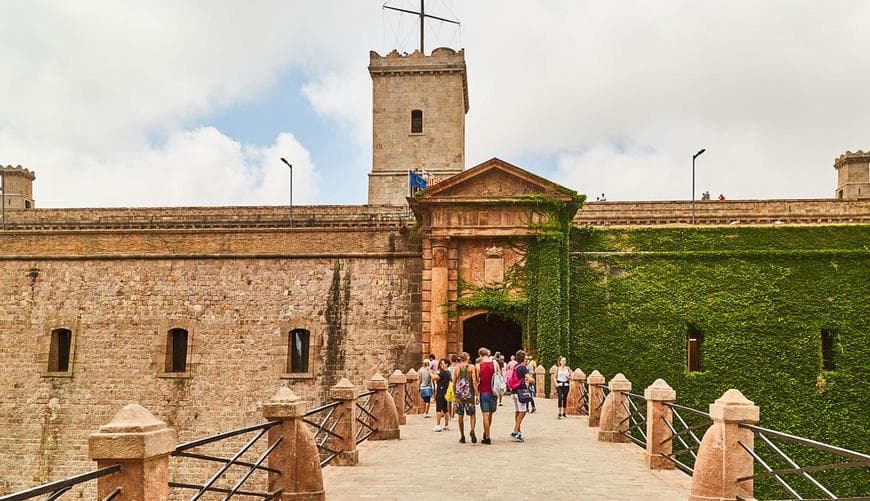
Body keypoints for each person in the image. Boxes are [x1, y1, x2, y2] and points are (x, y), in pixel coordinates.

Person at [454, 352, 478, 444]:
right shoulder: (471, 367)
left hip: (459, 395)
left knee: (460, 415)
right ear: (467, 358)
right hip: (469, 395)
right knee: (472, 414)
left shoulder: (457, 368)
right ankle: (472, 429)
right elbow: (474, 381)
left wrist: (455, 396)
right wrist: (477, 394)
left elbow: (455, 382)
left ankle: (462, 436)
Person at [510, 350, 534, 442]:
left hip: (514, 391)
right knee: (523, 412)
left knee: (517, 411)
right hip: (521, 392)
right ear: (523, 358)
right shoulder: (523, 367)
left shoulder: (515, 366)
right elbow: (529, 378)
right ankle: (515, 431)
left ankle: (518, 432)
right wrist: (532, 380)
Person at [476, 347, 498, 444]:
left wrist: (477, 394)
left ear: (480, 355)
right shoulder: (495, 363)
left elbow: (477, 381)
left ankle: (487, 437)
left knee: (485, 414)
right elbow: (499, 375)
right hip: (493, 392)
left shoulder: (478, 366)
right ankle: (486, 433)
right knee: (490, 414)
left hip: (484, 392)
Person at [432, 358, 451, 432]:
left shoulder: (443, 373)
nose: (441, 365)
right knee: (445, 409)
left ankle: (438, 425)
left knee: (438, 409)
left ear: (446, 364)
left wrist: (429, 371)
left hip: (441, 392)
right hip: (445, 393)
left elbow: (434, 378)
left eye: (442, 364)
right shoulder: (448, 372)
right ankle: (446, 425)